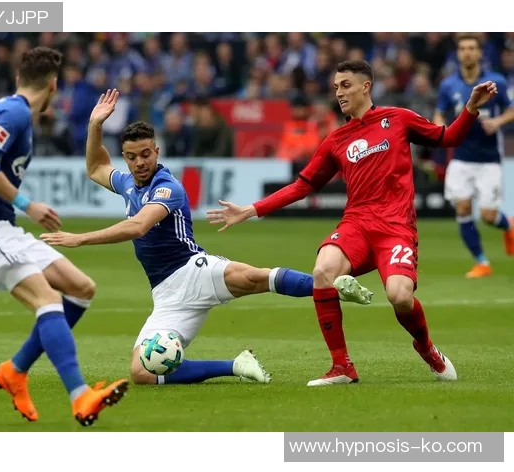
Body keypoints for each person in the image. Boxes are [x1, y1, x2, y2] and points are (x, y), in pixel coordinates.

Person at [40, 89, 373, 386]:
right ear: (125, 157)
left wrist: (81, 239)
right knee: (143, 373)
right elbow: (95, 168)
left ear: (157, 151)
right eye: (131, 156)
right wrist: (95, 125)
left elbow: (138, 226)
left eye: (145, 154)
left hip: (193, 271)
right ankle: (237, 365)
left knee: (254, 278)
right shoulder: (128, 183)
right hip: (166, 296)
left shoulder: (168, 187)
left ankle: (333, 287)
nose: (140, 162)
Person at [206, 59, 497, 387]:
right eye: (335, 87)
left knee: (400, 297)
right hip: (356, 225)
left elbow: (448, 137)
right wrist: (251, 209)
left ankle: (426, 348)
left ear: (366, 86)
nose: (339, 93)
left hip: (396, 227)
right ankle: (341, 366)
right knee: (322, 271)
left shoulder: (398, 119)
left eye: (345, 85)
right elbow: (302, 186)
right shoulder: (336, 140)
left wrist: (471, 108)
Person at [0, 47, 127, 426]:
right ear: (53, 85)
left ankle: (14, 371)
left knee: (81, 288)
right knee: (48, 299)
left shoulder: (10, 110)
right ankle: (80, 396)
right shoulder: (14, 113)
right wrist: (27, 204)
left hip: (2, 227)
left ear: (20, 78)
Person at [433, 34, 514, 278]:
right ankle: (482, 262)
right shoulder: (449, 85)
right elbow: (440, 112)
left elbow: (511, 110)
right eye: (463, 48)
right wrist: (440, 127)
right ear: (458, 54)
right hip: (460, 157)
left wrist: (497, 122)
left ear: (480, 53)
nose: (467, 52)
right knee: (463, 209)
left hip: (489, 158)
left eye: (471, 48)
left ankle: (509, 225)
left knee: (488, 215)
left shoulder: (495, 81)